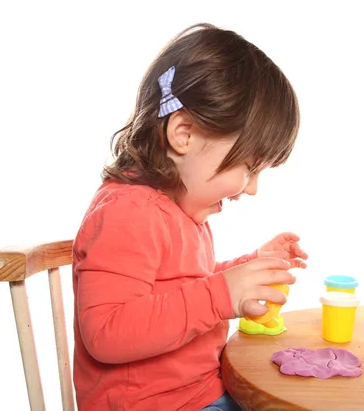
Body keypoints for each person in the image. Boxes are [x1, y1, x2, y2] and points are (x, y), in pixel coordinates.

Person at [71, 23, 308, 411]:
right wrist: (222, 294)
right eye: (249, 168)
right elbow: (106, 332)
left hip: (201, 394)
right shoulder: (128, 211)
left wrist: (249, 268)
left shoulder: (178, 213)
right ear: (183, 133)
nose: (251, 188)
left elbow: (180, 289)